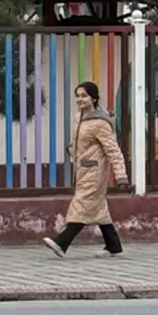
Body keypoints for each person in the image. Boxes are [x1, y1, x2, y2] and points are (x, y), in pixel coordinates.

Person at [43, 81, 129, 259]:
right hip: (82, 170)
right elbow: (81, 143)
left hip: (95, 172)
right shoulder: (79, 118)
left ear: (94, 98)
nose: (80, 99)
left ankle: (62, 243)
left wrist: (121, 175)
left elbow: (113, 150)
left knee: (81, 204)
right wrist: (72, 149)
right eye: (78, 96)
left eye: (84, 96)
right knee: (99, 209)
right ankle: (113, 245)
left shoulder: (100, 123)